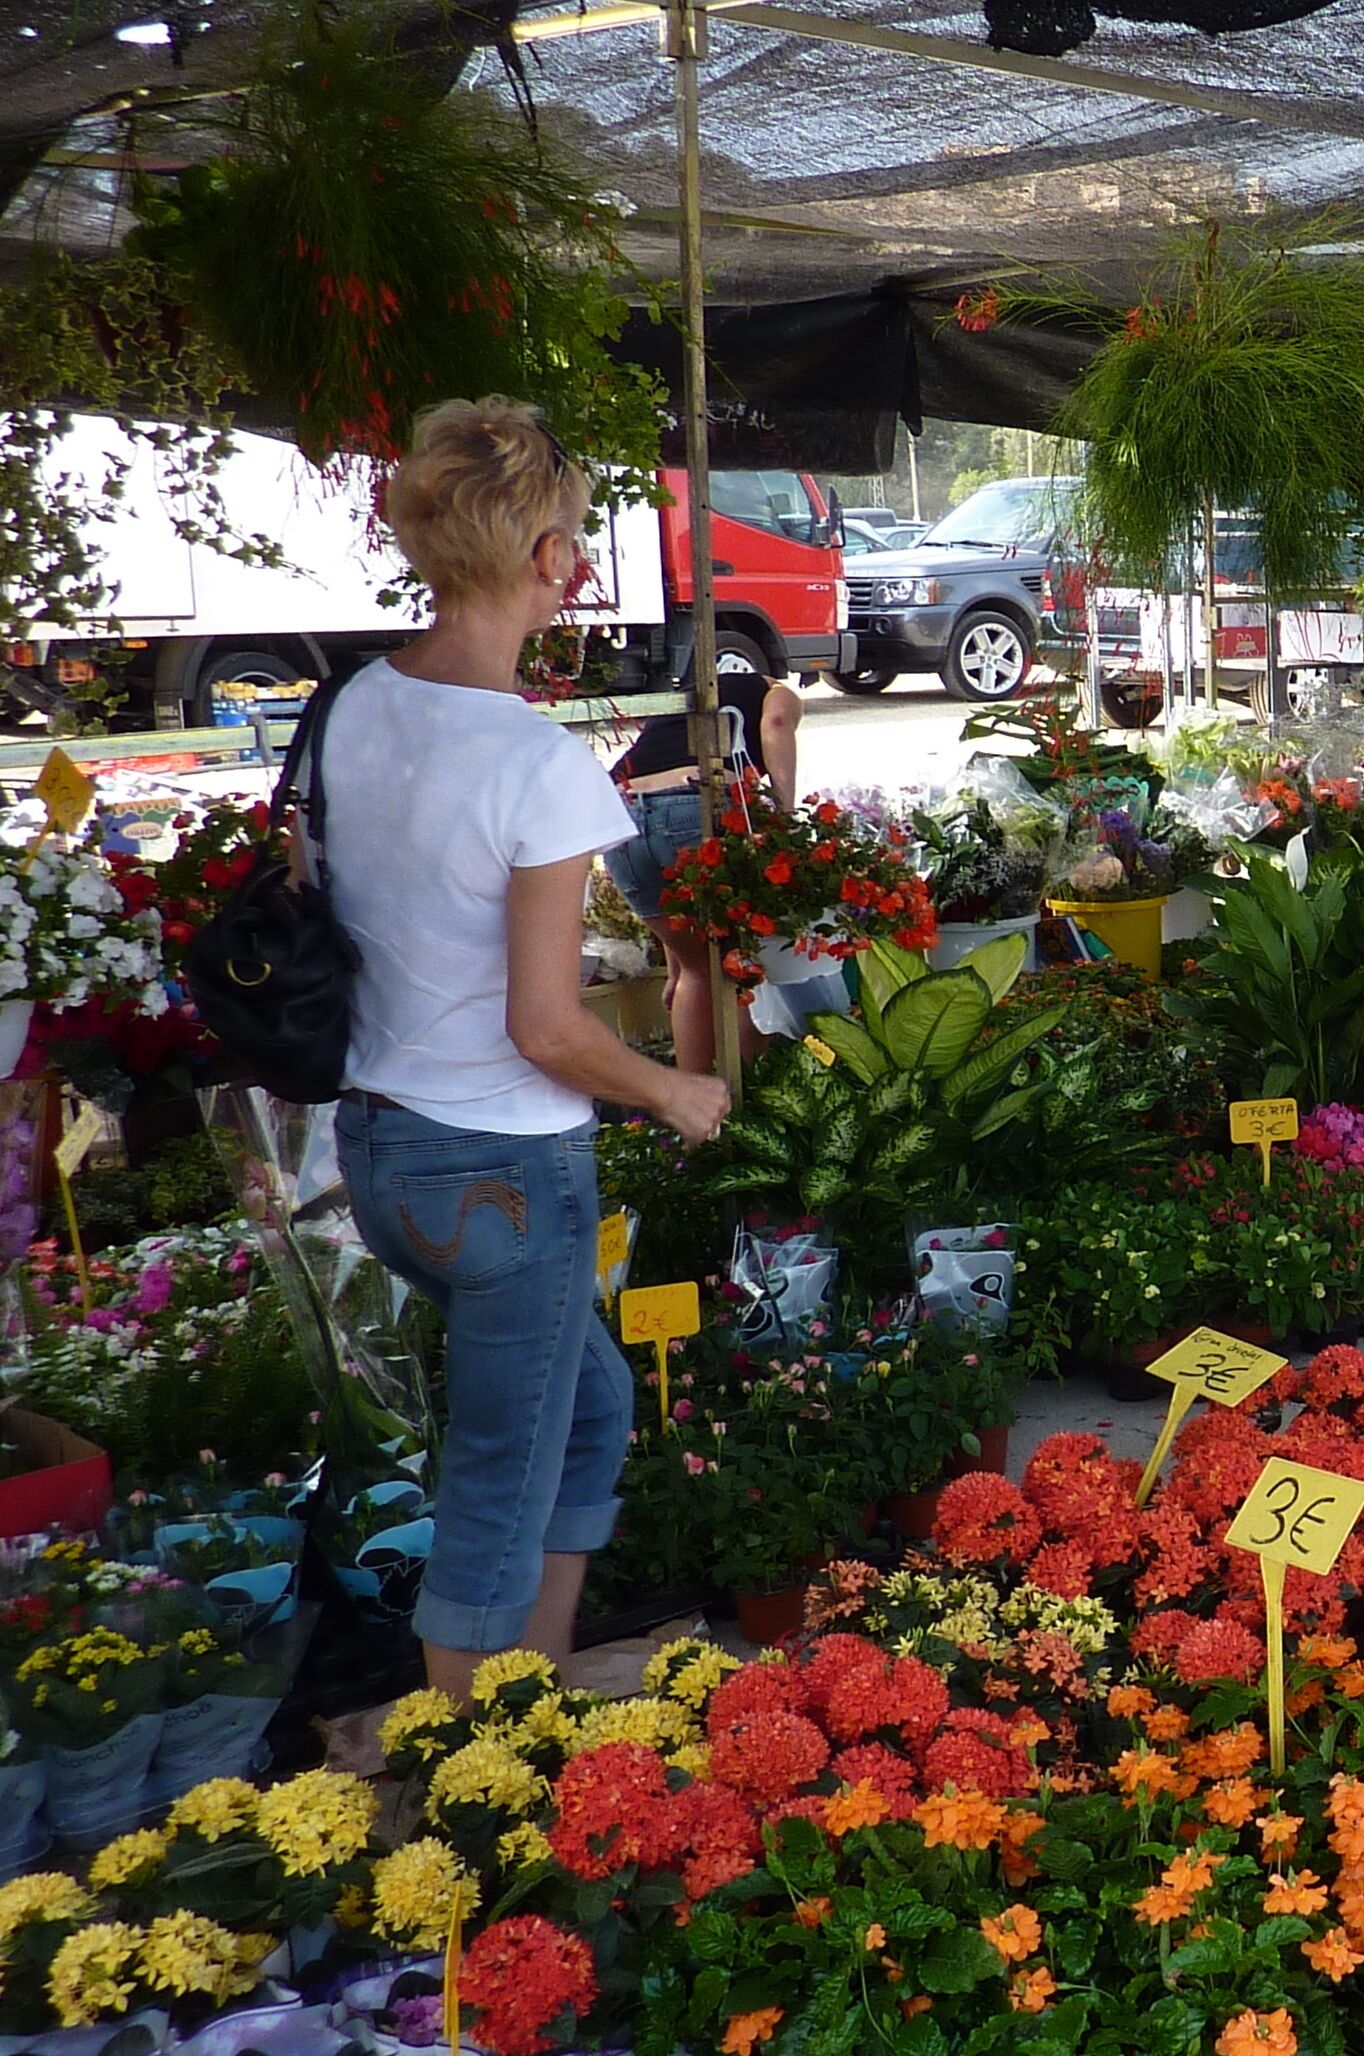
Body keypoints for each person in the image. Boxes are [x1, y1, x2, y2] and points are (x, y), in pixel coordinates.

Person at [322, 399, 732, 1698]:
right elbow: (547, 1028)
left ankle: (531, 1695)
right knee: (496, 1492)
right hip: (501, 1171)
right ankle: (478, 1788)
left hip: (382, 1149)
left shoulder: (352, 709)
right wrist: (675, 1088)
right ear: (552, 558)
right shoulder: (535, 763)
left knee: (592, 1410)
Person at [602, 634, 801, 1071]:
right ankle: (745, 1108)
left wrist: (673, 970)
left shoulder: (683, 705)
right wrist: (785, 816)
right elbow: (777, 725)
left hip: (619, 817)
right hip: (690, 804)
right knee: (737, 966)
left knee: (696, 969)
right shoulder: (776, 691)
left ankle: (695, 1121)